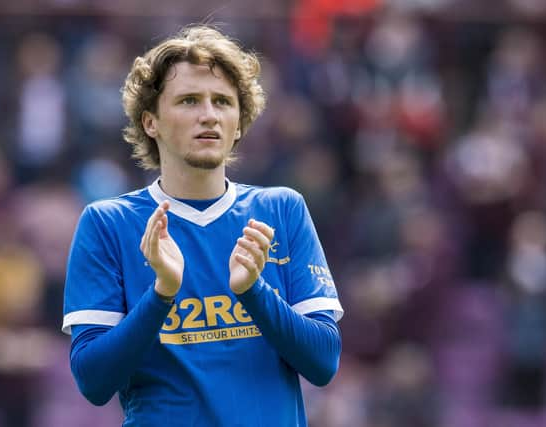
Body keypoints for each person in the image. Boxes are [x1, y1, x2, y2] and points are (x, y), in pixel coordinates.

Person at [62, 25, 344, 427]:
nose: (208, 115)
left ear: (240, 122)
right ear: (150, 122)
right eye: (189, 101)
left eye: (223, 102)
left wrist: (253, 291)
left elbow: (323, 363)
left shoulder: (282, 210)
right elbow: (93, 381)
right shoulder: (108, 223)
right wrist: (161, 295)